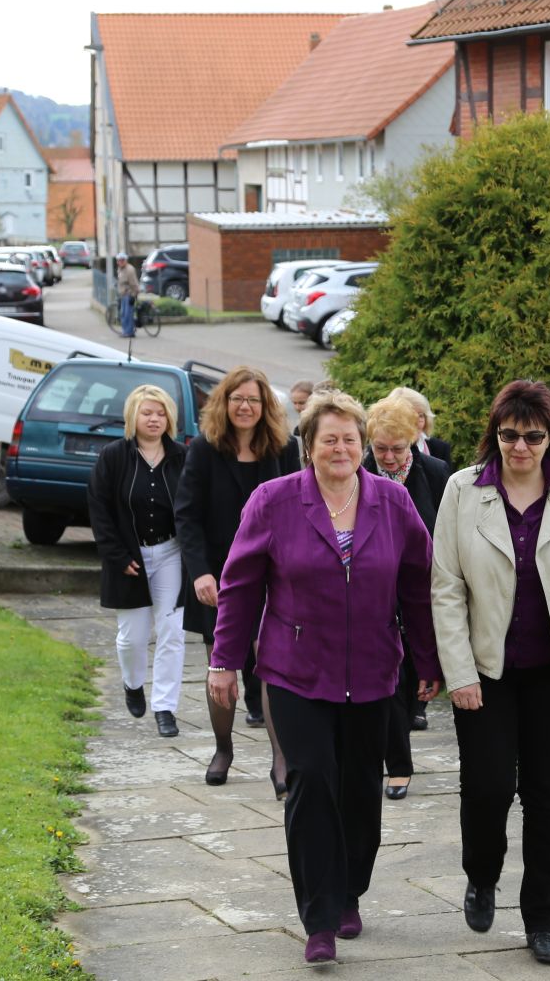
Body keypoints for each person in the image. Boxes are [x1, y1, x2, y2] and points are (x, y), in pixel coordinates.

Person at [210, 390, 444, 965]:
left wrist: (431, 661)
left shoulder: (393, 502)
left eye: (349, 439)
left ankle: (349, 891)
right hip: (295, 671)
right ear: (308, 446)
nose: (340, 448)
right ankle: (318, 916)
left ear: (363, 445)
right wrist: (224, 661)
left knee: (361, 790)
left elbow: (418, 584)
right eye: (328, 439)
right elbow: (241, 585)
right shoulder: (274, 501)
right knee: (311, 781)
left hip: (373, 669)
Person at [431, 379, 550, 966]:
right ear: (495, 434)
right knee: (488, 787)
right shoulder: (463, 490)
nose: (519, 447)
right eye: (509, 435)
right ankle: (481, 875)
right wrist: (458, 672)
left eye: (532, 436)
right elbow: (446, 588)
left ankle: (544, 921)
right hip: (485, 673)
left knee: (548, 797)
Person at [175, 365, 301, 790]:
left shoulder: (284, 449)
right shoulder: (204, 449)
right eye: (237, 399)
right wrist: (200, 574)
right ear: (224, 403)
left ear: (266, 406)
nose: (245, 406)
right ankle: (223, 748)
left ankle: (281, 758)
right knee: (222, 664)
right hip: (219, 579)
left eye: (253, 399)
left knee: (270, 665)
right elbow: (187, 516)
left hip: (274, 576)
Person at [362, 394, 450, 800]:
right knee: (391, 681)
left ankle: (420, 705)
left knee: (418, 671)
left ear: (414, 439)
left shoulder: (436, 473)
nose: (390, 458)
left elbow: (448, 533)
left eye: (398, 448)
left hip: (425, 589)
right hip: (377, 591)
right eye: (381, 449)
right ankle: (398, 767)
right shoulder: (361, 473)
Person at [87, 384, 187, 738]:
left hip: (171, 554)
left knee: (172, 631)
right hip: (130, 557)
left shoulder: (181, 457)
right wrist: (116, 555)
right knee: (132, 638)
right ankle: (132, 683)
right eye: (147, 413)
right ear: (133, 416)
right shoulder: (114, 456)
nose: (155, 419)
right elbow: (99, 509)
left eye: (161, 413)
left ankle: (165, 708)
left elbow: (192, 507)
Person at [388, 386, 452, 464]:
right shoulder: (381, 451)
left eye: (421, 416)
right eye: (410, 416)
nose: (416, 422)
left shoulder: (440, 449)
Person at [115, 255, 141, 337]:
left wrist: (134, 295)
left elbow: (133, 283)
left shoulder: (129, 270)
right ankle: (125, 331)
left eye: (123, 260)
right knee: (123, 314)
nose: (121, 262)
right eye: (119, 260)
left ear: (126, 260)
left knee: (128, 314)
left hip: (129, 294)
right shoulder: (120, 269)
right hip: (123, 295)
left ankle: (129, 332)